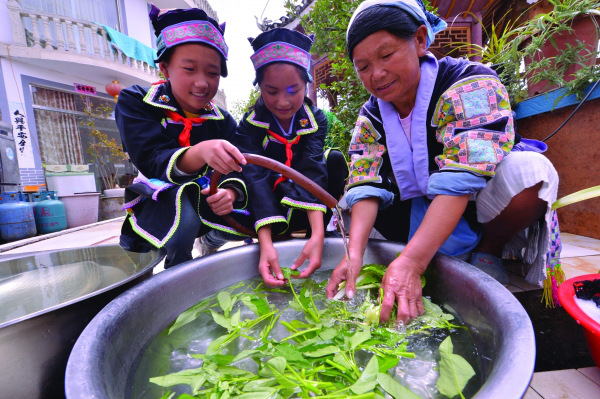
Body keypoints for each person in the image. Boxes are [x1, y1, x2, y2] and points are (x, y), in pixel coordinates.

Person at [325, 0, 561, 324]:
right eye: (363, 66)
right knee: (348, 208)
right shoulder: (372, 114)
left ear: (420, 40)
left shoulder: (470, 81)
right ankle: (405, 253)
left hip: (475, 203)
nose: (376, 74)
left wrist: (411, 262)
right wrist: (354, 253)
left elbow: (463, 175)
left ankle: (488, 250)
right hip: (409, 211)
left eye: (386, 55)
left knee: (532, 173)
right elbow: (366, 180)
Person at [116, 5, 251, 268]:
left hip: (209, 194)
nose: (202, 82)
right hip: (160, 195)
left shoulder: (223, 121)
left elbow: (241, 166)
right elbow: (151, 158)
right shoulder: (136, 101)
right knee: (184, 215)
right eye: (189, 69)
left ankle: (211, 241)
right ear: (165, 68)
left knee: (251, 214)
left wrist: (231, 191)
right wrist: (200, 152)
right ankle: (180, 277)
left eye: (212, 73)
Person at [232, 28, 348, 286]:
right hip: (267, 203)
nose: (283, 102)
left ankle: (317, 237)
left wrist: (317, 233)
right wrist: (266, 244)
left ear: (306, 84)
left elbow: (312, 168)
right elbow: (256, 177)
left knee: (334, 161)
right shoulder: (249, 125)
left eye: (293, 90)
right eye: (272, 92)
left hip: (305, 200)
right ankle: (274, 240)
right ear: (259, 87)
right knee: (248, 173)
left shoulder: (315, 119)